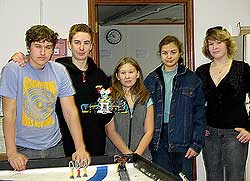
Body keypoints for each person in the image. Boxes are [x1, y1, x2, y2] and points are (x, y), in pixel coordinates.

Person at [10, 24, 113, 157]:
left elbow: (106, 113)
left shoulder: (100, 75)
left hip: (95, 143)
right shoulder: (57, 71)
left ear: (91, 46)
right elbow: (32, 67)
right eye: (77, 42)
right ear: (69, 44)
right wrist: (20, 57)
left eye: (86, 43)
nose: (81, 48)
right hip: (62, 144)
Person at [0, 25, 90, 171]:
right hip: (24, 148)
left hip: (55, 146)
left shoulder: (59, 71)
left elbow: (70, 112)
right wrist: (11, 152)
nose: (43, 52)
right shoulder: (14, 69)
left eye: (48, 47)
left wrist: (80, 147)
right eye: (38, 46)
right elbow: (9, 113)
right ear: (28, 47)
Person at [144, 35, 206, 180]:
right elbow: (143, 112)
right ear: (160, 55)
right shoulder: (151, 79)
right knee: (161, 178)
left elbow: (200, 113)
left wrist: (197, 144)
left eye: (173, 52)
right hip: (158, 139)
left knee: (183, 178)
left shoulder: (192, 78)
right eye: (165, 53)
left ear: (180, 53)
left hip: (183, 138)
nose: (169, 56)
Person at [196, 26, 250, 181]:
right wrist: (200, 128)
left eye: (218, 42)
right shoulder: (201, 71)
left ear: (227, 44)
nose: (214, 47)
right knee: (213, 177)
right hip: (209, 134)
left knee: (235, 177)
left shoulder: (242, 69)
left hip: (236, 135)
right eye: (210, 43)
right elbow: (195, 105)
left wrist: (249, 129)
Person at [105, 57, 154, 160]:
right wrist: (128, 154)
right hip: (116, 157)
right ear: (117, 76)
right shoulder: (109, 99)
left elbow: (149, 131)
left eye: (131, 72)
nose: (127, 76)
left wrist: (137, 155)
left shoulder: (146, 98)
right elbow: (110, 131)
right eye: (123, 73)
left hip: (142, 157)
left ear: (137, 74)